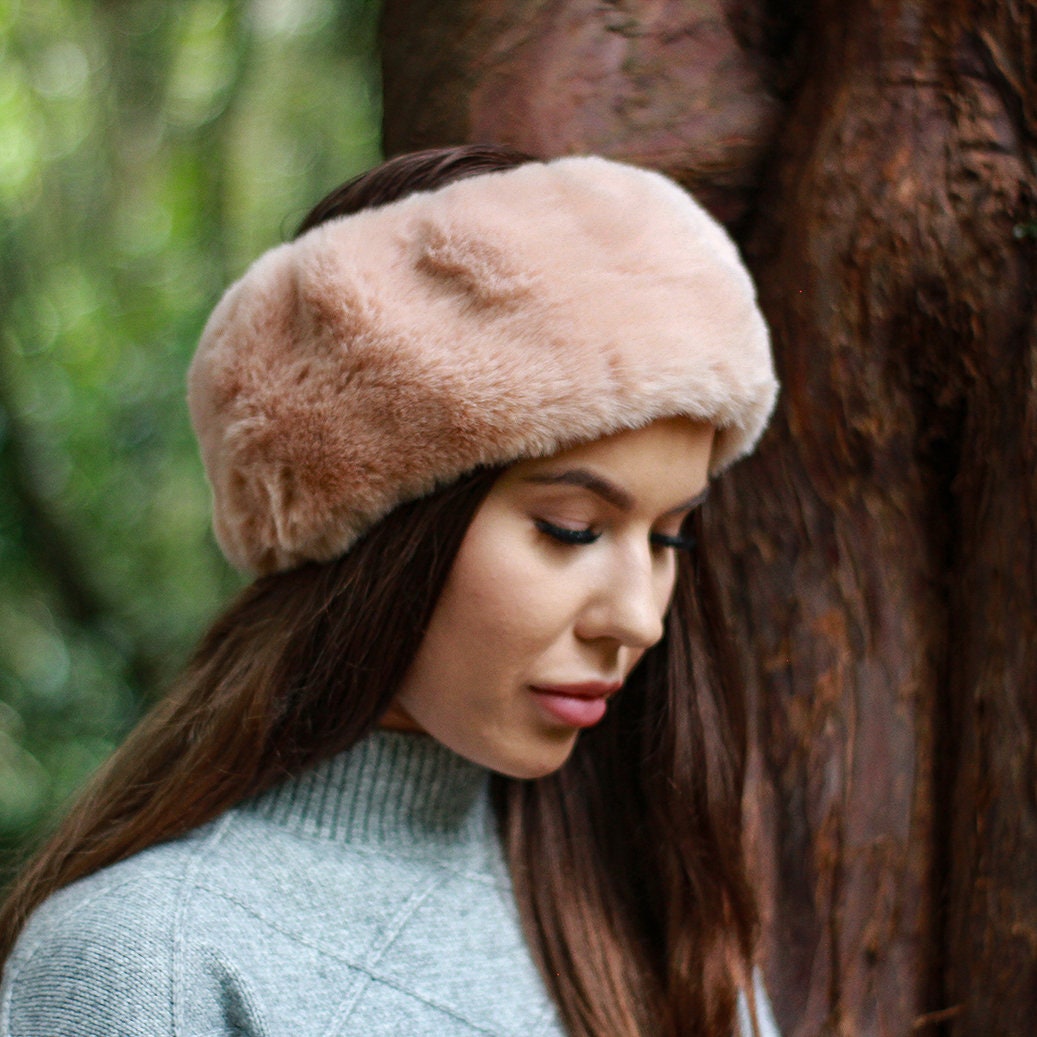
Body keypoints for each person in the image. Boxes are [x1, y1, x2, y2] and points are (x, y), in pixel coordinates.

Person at [0, 145, 781, 1037]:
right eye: (569, 529)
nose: (637, 617)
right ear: (379, 529)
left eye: (669, 534)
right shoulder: (150, 960)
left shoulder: (648, 912)